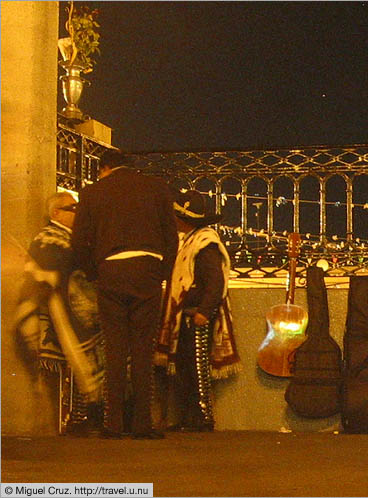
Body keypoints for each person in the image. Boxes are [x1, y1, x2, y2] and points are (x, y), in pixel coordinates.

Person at [71, 150, 179, 439]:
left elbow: (79, 240)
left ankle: (113, 423)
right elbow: (171, 235)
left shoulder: (92, 192)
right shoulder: (156, 188)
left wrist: (94, 273)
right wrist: (162, 272)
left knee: (115, 349)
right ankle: (142, 423)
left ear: (105, 168)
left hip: (111, 271)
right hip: (148, 269)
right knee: (143, 349)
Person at [15, 191, 104, 435]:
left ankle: (85, 414)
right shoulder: (49, 238)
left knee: (82, 363)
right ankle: (82, 416)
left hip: (77, 311)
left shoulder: (67, 237)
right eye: (72, 209)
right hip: (61, 314)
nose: (77, 213)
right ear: (56, 213)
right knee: (76, 362)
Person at [155, 190, 240, 432]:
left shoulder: (205, 244)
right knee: (184, 368)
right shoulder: (193, 241)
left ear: (183, 219)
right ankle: (187, 418)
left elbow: (215, 281)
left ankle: (203, 417)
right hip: (187, 315)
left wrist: (204, 310)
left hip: (196, 315)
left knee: (196, 367)